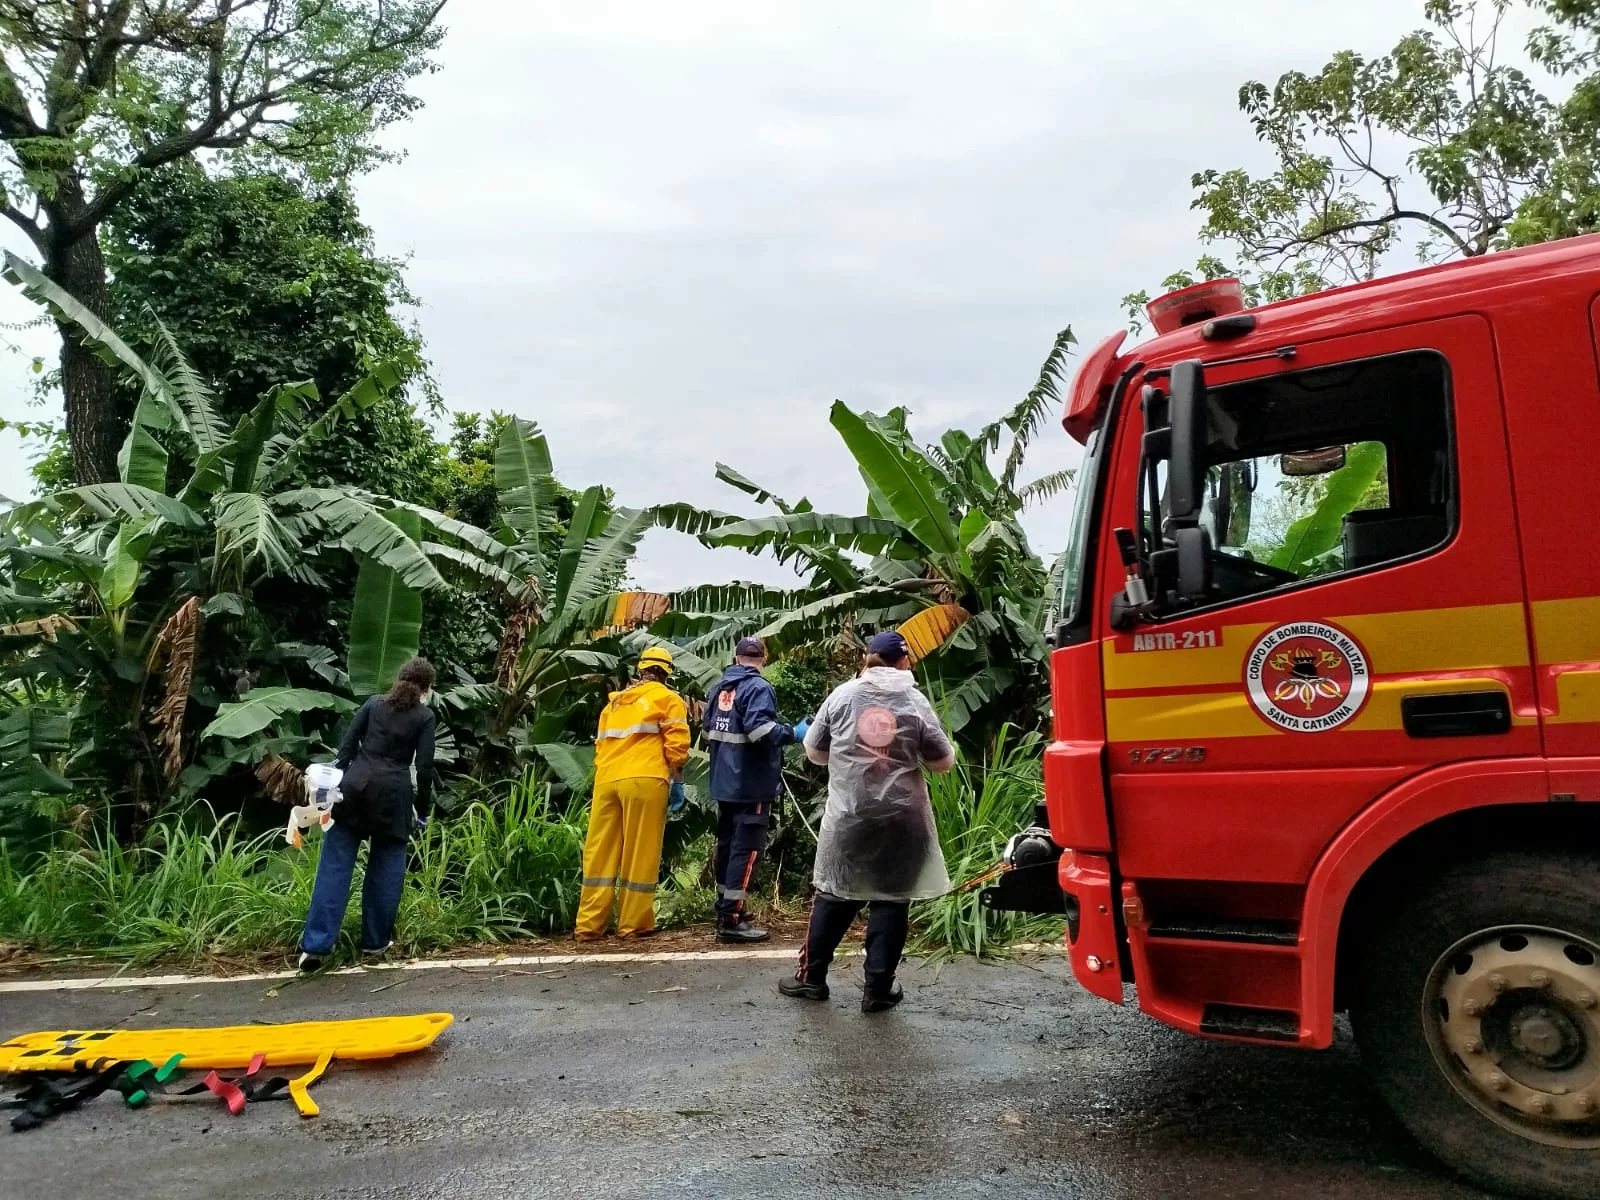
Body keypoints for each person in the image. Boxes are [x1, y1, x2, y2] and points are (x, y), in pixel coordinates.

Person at [780, 630, 955, 1012]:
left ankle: (811, 979)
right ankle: (878, 990)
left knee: (835, 893)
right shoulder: (915, 700)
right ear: (904, 662)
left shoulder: (842, 696)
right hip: (902, 819)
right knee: (891, 901)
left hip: (850, 815)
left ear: (867, 658)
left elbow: (814, 751)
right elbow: (942, 763)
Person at [299, 657, 437, 971]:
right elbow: (425, 768)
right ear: (426, 689)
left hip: (354, 789)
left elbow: (346, 749)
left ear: (398, 679)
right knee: (386, 871)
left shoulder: (374, 704)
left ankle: (316, 948)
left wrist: (329, 787)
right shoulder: (425, 716)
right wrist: (424, 810)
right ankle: (374, 944)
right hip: (393, 797)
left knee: (334, 867)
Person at [576, 646, 690, 940]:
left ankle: (588, 927)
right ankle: (632, 925)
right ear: (666, 673)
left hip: (606, 781)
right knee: (640, 852)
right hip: (645, 780)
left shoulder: (612, 706)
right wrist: (677, 781)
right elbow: (676, 749)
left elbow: (600, 747)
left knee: (599, 855)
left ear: (640, 670)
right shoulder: (669, 699)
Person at [704, 636, 808, 944]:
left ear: (736, 657)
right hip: (751, 783)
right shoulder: (759, 688)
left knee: (727, 845)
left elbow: (709, 729)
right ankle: (731, 919)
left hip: (724, 782)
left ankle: (725, 907)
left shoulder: (719, 687)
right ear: (764, 659)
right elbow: (761, 731)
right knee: (746, 851)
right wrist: (794, 732)